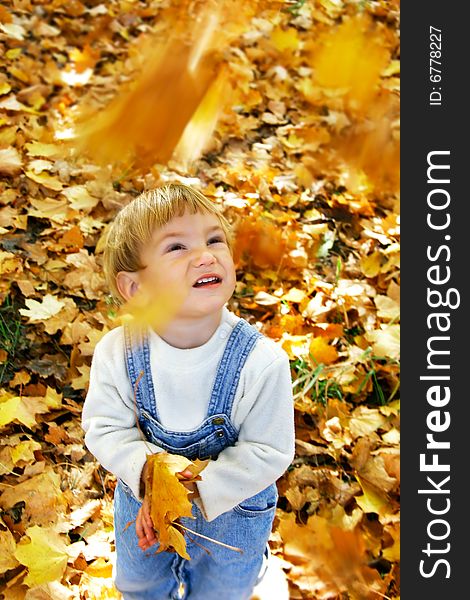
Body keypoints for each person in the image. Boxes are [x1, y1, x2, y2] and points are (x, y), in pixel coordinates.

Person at [81, 183, 295, 600]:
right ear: (136, 289)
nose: (206, 254)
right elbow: (105, 428)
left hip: (232, 514)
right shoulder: (119, 353)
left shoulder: (260, 362)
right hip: (144, 510)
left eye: (215, 239)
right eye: (177, 247)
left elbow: (268, 451)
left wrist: (190, 489)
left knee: (222, 592)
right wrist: (150, 482)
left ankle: (255, 577)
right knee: (140, 585)